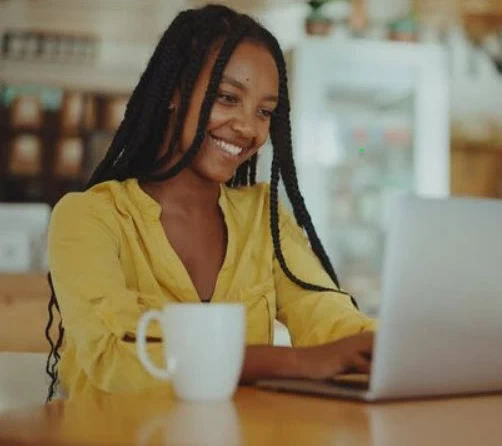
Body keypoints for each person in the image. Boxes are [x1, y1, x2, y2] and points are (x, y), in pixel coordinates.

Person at [45, 4, 375, 401]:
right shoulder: (88, 218)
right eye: (227, 97)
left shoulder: (263, 219)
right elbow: (114, 360)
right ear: (176, 93)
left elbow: (327, 316)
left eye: (265, 111)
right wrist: (295, 361)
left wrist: (384, 348)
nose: (248, 127)